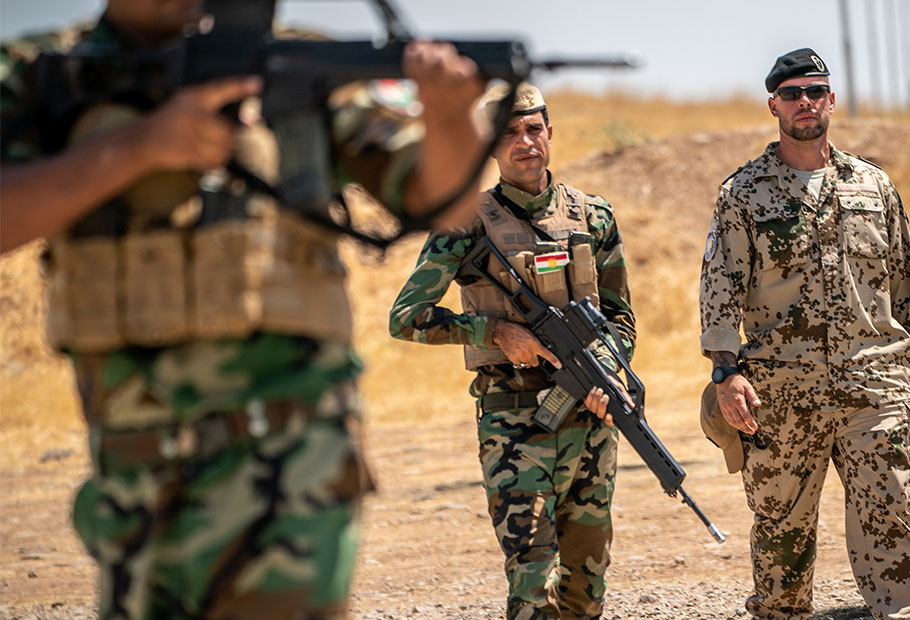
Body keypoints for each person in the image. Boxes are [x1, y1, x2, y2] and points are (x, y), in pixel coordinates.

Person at [0, 0, 488, 617]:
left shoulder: (297, 63)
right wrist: (141, 147)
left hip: (293, 465)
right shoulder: (41, 70)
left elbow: (444, 201)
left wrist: (451, 118)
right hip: (131, 475)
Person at [698, 48, 910, 620]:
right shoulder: (743, 193)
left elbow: (906, 277)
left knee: (891, 520)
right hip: (781, 394)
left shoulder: (873, 185)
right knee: (782, 543)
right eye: (792, 94)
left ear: (831, 99)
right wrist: (725, 372)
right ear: (774, 106)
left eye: (815, 91)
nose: (805, 103)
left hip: (874, 383)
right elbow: (720, 290)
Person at [388, 82, 635, 620]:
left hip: (590, 423)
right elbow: (405, 319)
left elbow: (621, 319)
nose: (525, 142)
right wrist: (494, 332)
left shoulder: (593, 216)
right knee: (532, 586)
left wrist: (610, 373)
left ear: (549, 133)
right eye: (509, 134)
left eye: (533, 129)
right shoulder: (463, 223)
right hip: (514, 426)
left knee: (587, 589)